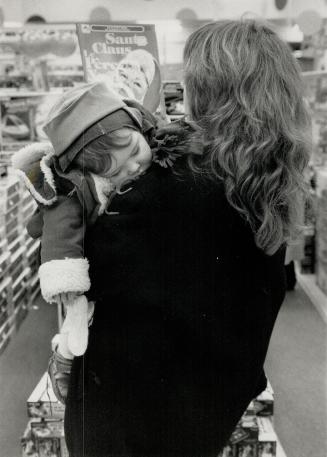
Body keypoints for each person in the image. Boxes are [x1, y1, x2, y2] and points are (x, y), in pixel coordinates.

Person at [67, 19, 310, 457]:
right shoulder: (271, 181)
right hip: (209, 406)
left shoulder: (167, 181)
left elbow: (85, 270)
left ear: (210, 92)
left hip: (133, 416)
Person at [12, 81, 157, 400]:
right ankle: (64, 357)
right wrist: (70, 286)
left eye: (135, 150)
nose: (135, 166)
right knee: (81, 316)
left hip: (130, 265)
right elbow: (60, 238)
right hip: (83, 260)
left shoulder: (152, 140)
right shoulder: (72, 191)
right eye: (118, 172)